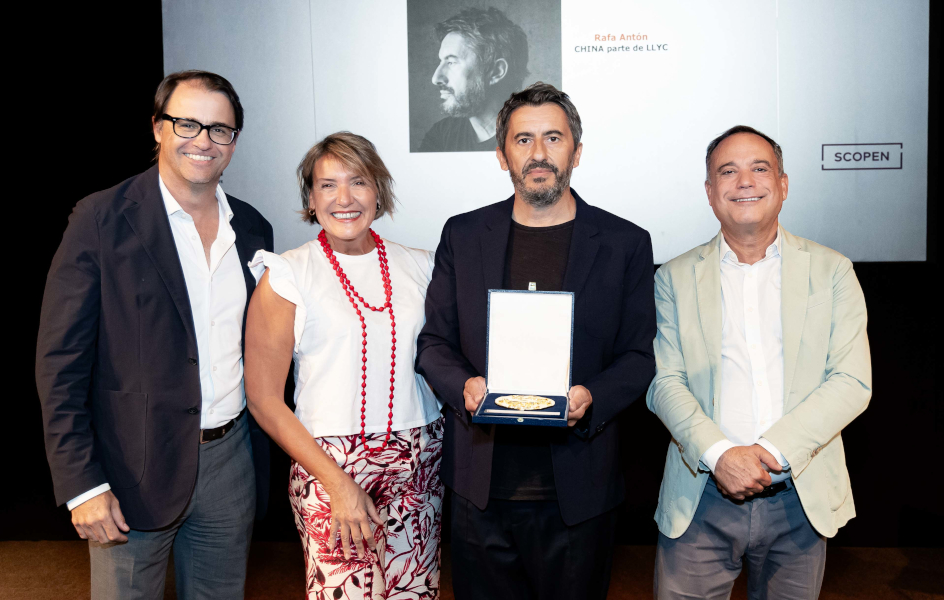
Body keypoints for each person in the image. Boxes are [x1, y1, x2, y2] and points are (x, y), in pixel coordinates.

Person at [36, 70, 273, 599]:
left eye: (220, 129)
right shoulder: (100, 218)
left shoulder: (253, 228)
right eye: (187, 123)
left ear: (234, 142)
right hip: (129, 468)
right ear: (158, 128)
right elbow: (60, 363)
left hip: (230, 463)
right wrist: (82, 484)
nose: (203, 141)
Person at [415, 83, 656, 600]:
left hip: (579, 492)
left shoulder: (624, 243)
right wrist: (464, 388)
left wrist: (593, 398)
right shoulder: (463, 234)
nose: (538, 153)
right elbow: (434, 342)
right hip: (480, 489)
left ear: (577, 151)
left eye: (553, 137)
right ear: (502, 155)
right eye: (523, 140)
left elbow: (638, 356)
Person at [647, 125, 872, 599]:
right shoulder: (674, 277)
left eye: (759, 168)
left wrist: (766, 454)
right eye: (728, 171)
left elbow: (851, 380)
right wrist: (721, 455)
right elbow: (665, 382)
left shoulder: (833, 271)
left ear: (784, 184)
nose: (744, 181)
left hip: (800, 499)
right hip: (700, 496)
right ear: (710, 193)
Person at [244, 132, 444, 600]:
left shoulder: (423, 265)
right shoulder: (288, 273)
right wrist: (338, 485)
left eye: (358, 181)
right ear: (311, 199)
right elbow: (264, 399)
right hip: (329, 466)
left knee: (416, 593)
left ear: (379, 189)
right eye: (328, 185)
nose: (345, 198)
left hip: (420, 462)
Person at [420, 7, 529, 152]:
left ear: (496, 72)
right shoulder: (441, 136)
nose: (436, 78)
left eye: (451, 62)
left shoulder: (536, 139)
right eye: (441, 62)